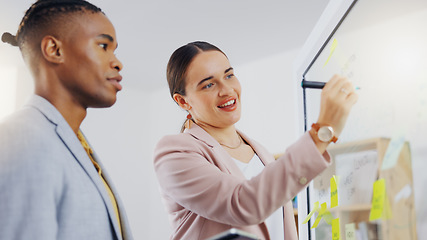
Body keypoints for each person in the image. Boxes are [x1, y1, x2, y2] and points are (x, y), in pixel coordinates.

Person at [154, 41, 358, 240]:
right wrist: (321, 132)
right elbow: (241, 204)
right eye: (208, 84)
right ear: (182, 101)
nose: (226, 90)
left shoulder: (261, 153)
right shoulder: (174, 153)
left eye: (229, 75)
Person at [0, 1, 133, 239]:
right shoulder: (20, 138)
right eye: (103, 46)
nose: (117, 62)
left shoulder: (74, 143)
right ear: (54, 49)